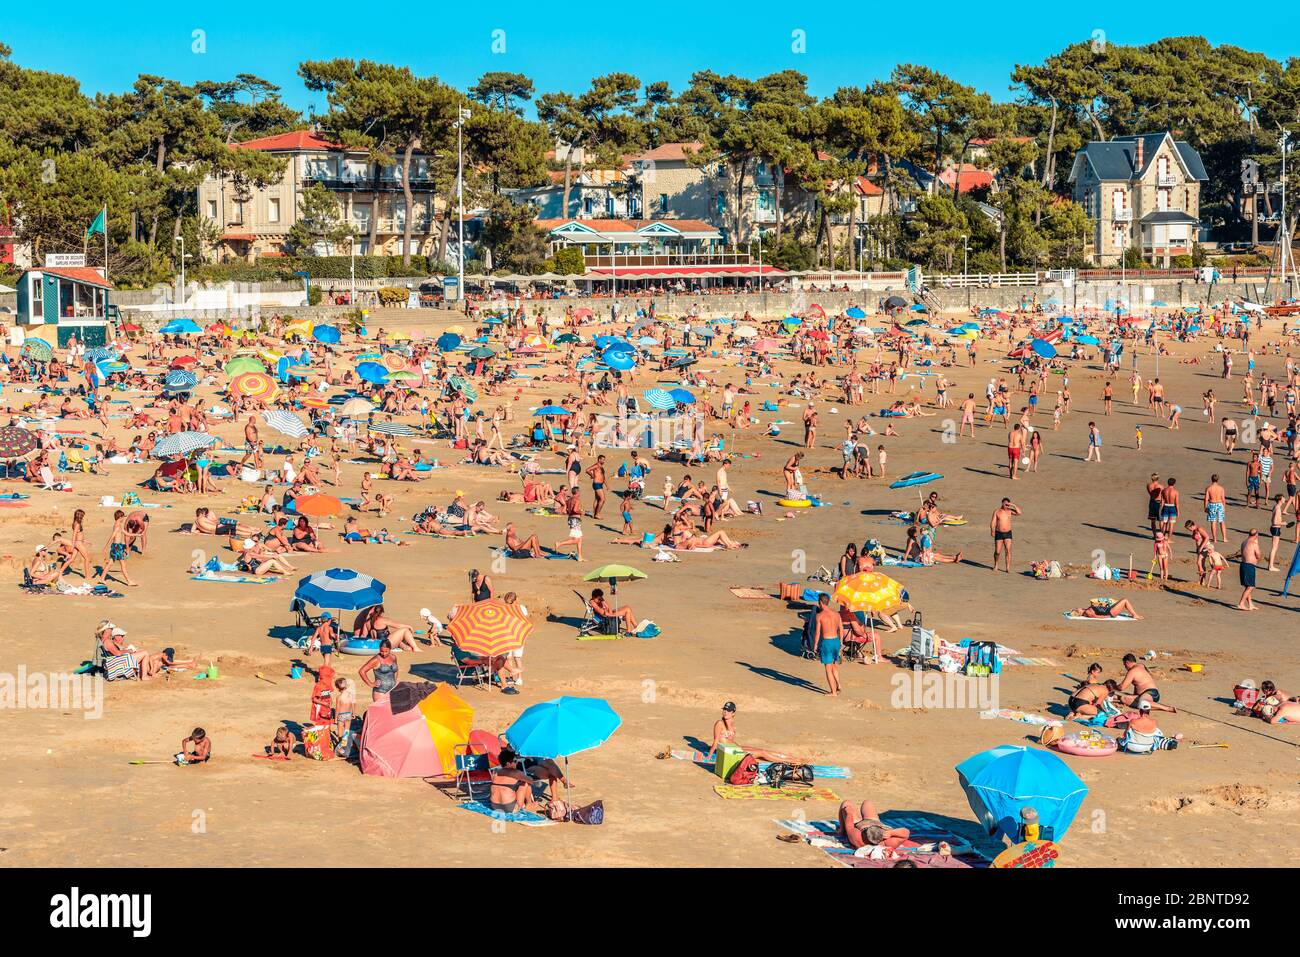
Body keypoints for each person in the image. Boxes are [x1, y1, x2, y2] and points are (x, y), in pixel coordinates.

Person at [708, 702, 805, 763]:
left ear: (733, 713)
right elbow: (716, 741)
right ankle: (789, 761)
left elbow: (730, 741)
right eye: (724, 710)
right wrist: (709, 756)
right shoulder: (719, 723)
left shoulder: (732, 725)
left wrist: (739, 747)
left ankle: (792, 758)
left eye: (728, 710)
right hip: (730, 753)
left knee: (762, 750)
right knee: (762, 753)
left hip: (736, 748)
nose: (725, 712)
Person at [837, 797, 911, 850]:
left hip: (859, 823)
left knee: (846, 803)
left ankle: (841, 830)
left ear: (865, 834)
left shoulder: (858, 839)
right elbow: (906, 833)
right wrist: (892, 833)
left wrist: (849, 813)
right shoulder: (887, 843)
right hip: (874, 820)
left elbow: (849, 826)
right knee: (867, 802)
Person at [488, 749, 539, 815]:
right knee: (525, 783)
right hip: (509, 808)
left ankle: (523, 803)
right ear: (508, 763)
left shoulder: (495, 771)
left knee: (509, 786)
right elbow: (531, 781)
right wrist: (523, 777)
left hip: (494, 806)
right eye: (515, 761)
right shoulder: (516, 773)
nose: (517, 762)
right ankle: (529, 804)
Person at [812, 595, 843, 696]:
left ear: (820, 602)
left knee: (828, 667)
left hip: (827, 642)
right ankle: (838, 685)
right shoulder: (836, 614)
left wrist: (815, 645)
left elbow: (817, 633)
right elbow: (841, 629)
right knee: (833, 664)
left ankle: (833, 692)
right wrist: (841, 642)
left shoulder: (820, 616)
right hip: (836, 641)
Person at [990, 498, 1020, 573]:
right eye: (1005, 504)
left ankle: (1007, 568)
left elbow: (1019, 513)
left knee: (1008, 550)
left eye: (1008, 504)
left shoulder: (1010, 511)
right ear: (1002, 503)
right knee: (997, 551)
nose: (1006, 505)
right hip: (999, 533)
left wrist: (1013, 505)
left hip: (1008, 533)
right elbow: (993, 522)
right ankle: (996, 564)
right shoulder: (997, 511)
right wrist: (992, 531)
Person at [1238, 528, 1261, 611]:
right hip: (1249, 566)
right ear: (1256, 535)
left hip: (1243, 565)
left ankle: (1250, 604)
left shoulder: (1244, 542)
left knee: (1247, 586)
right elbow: (1258, 555)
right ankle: (1241, 603)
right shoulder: (1254, 544)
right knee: (1251, 586)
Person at [1069, 598, 1143, 620]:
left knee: (1123, 603)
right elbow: (1097, 617)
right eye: (1077, 608)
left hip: (1110, 609)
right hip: (1111, 612)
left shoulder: (1087, 610)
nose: (1078, 607)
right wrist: (1109, 616)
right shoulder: (1088, 612)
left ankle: (1134, 614)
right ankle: (1134, 615)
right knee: (1125, 600)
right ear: (1079, 611)